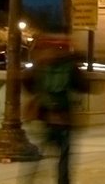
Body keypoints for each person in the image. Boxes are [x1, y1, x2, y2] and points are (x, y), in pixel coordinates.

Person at [24, 36, 89, 184]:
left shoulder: (41, 65)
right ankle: (62, 181)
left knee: (39, 153)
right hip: (64, 118)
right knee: (64, 157)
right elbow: (83, 86)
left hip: (45, 116)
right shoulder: (70, 67)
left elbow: (28, 85)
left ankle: (29, 180)